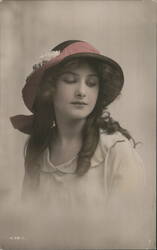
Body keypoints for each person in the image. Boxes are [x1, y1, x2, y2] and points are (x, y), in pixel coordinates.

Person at [10, 40, 146, 248]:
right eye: (70, 80)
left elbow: (131, 237)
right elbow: (28, 233)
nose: (82, 91)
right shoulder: (38, 150)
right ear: (50, 87)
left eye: (91, 83)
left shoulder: (115, 151)